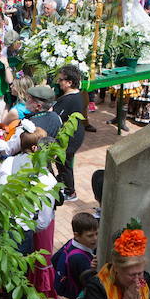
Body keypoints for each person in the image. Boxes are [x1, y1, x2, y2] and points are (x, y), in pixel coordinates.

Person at [0, 126, 59, 299]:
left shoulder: (9, 162)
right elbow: (43, 222)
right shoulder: (48, 180)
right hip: (21, 231)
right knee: (18, 273)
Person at [64, 226, 150, 299]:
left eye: (140, 273)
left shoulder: (145, 279)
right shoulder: (97, 286)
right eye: (132, 275)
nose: (137, 279)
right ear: (116, 268)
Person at [53, 64, 86, 202]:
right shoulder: (76, 96)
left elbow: (56, 116)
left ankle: (70, 191)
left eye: (61, 80)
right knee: (63, 163)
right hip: (73, 136)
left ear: (69, 82)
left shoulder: (70, 100)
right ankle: (62, 182)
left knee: (64, 164)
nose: (58, 82)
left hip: (70, 139)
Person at [52, 212, 99, 299]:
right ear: (76, 235)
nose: (95, 238)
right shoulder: (80, 258)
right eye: (90, 236)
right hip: (79, 295)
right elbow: (91, 285)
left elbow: (54, 259)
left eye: (96, 233)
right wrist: (92, 269)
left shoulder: (71, 242)